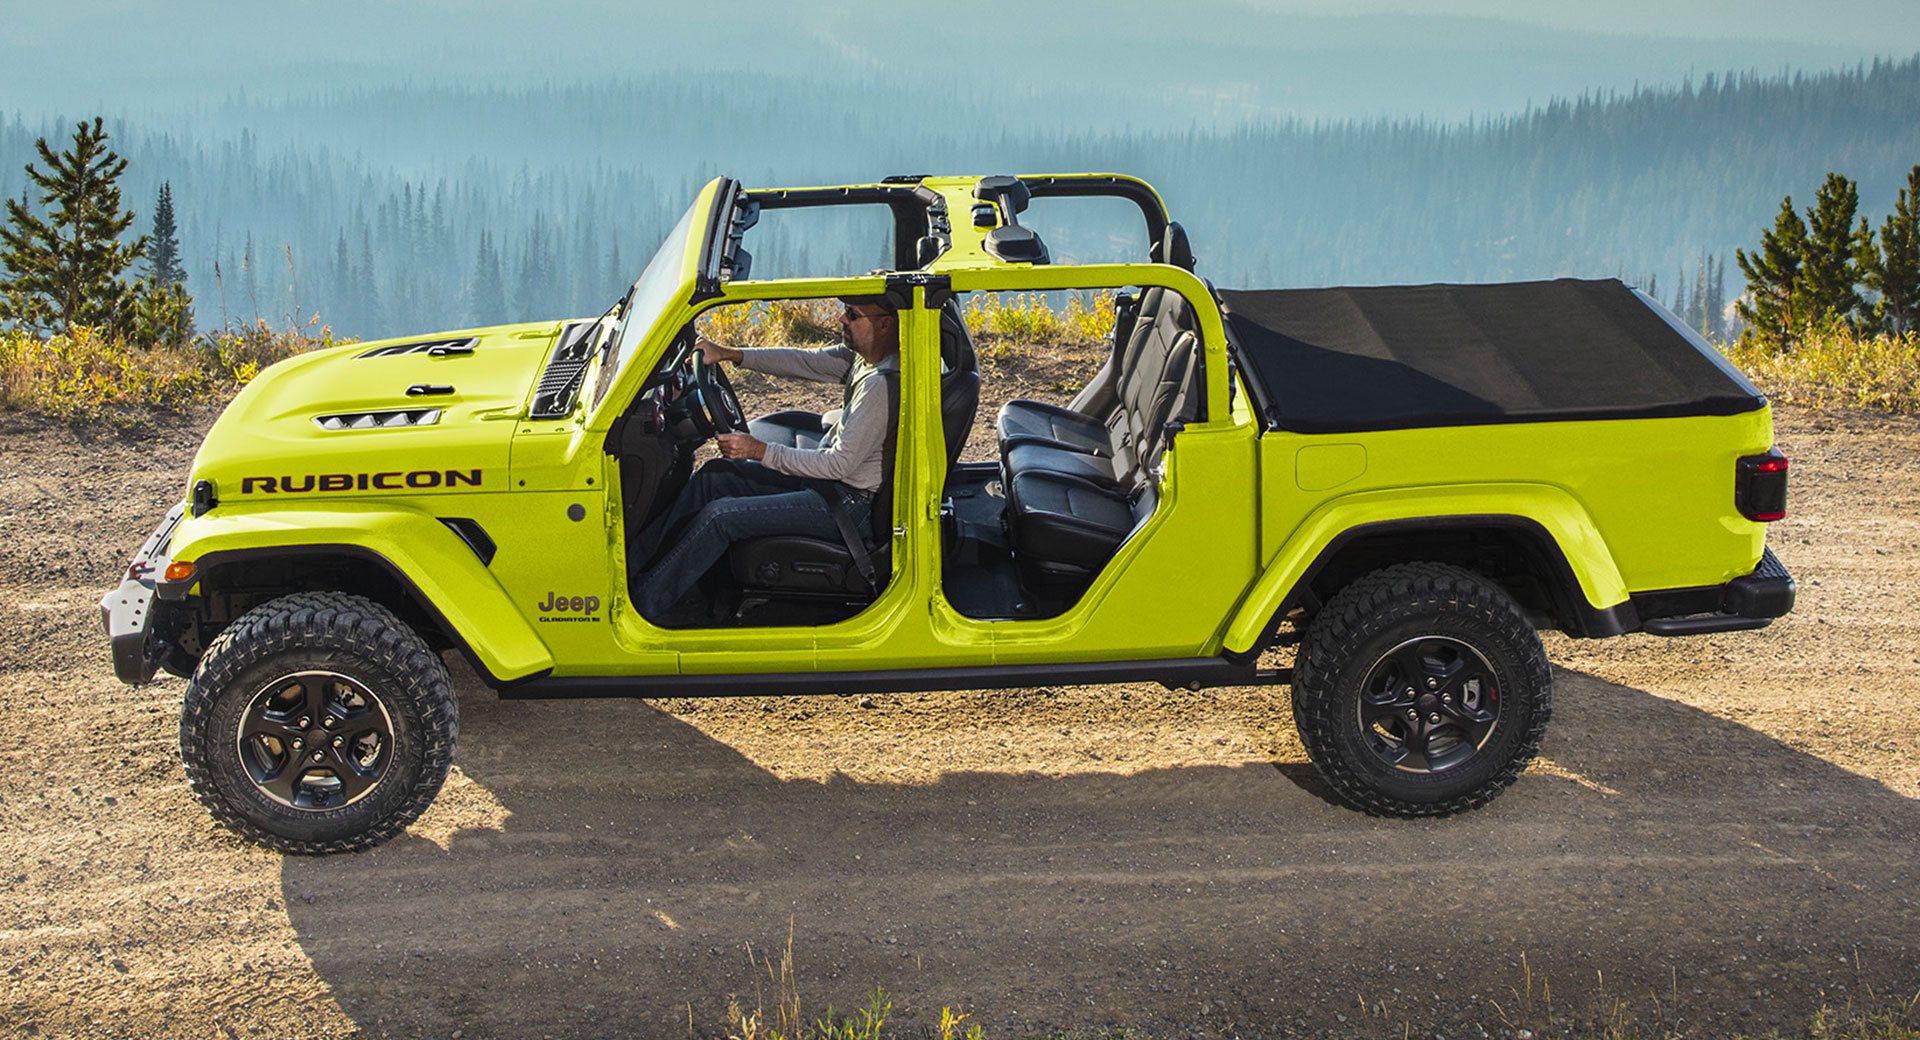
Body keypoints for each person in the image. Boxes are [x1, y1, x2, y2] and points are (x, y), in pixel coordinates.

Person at [630, 296, 901, 622]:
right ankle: (630, 569)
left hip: (849, 505)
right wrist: (731, 354)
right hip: (832, 485)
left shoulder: (881, 387)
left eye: (853, 315)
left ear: (885, 324)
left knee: (721, 516)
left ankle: (643, 607)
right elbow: (806, 362)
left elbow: (837, 465)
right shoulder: (863, 359)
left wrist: (759, 451)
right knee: (714, 476)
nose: (842, 320)